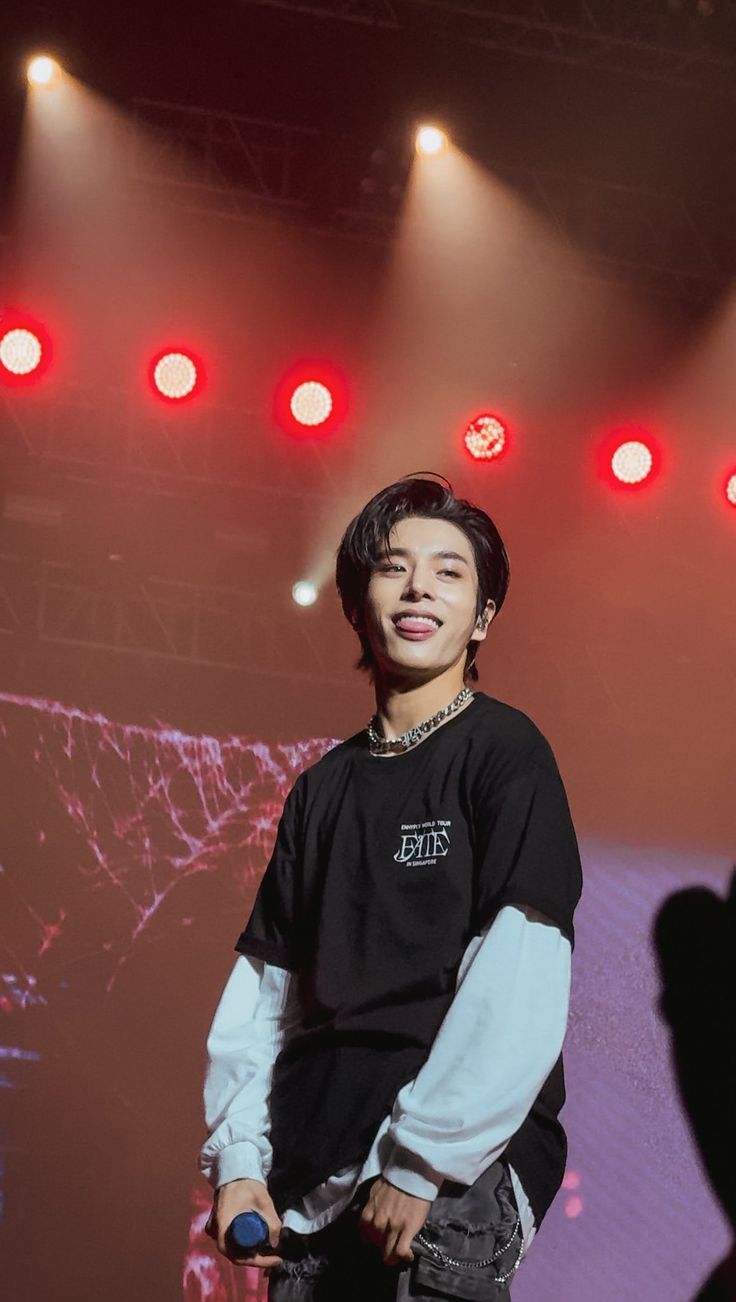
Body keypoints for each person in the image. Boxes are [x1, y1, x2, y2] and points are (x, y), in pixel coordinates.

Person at [199, 473, 583, 1300]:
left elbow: (522, 972)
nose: (418, 588)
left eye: (449, 571)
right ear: (356, 602)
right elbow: (268, 991)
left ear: (483, 616)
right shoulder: (321, 788)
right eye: (393, 566)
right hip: (309, 1186)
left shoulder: (506, 754)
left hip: (444, 1185)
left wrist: (423, 1161)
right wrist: (238, 1164)